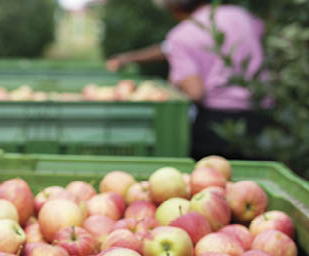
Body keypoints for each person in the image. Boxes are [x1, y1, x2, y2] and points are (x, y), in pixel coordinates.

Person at [107, 0, 268, 160]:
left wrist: (174, 84)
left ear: (174, 10)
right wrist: (129, 58)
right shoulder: (241, 15)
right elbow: (169, 48)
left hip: (219, 125)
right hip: (264, 115)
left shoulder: (183, 35)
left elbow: (195, 92)